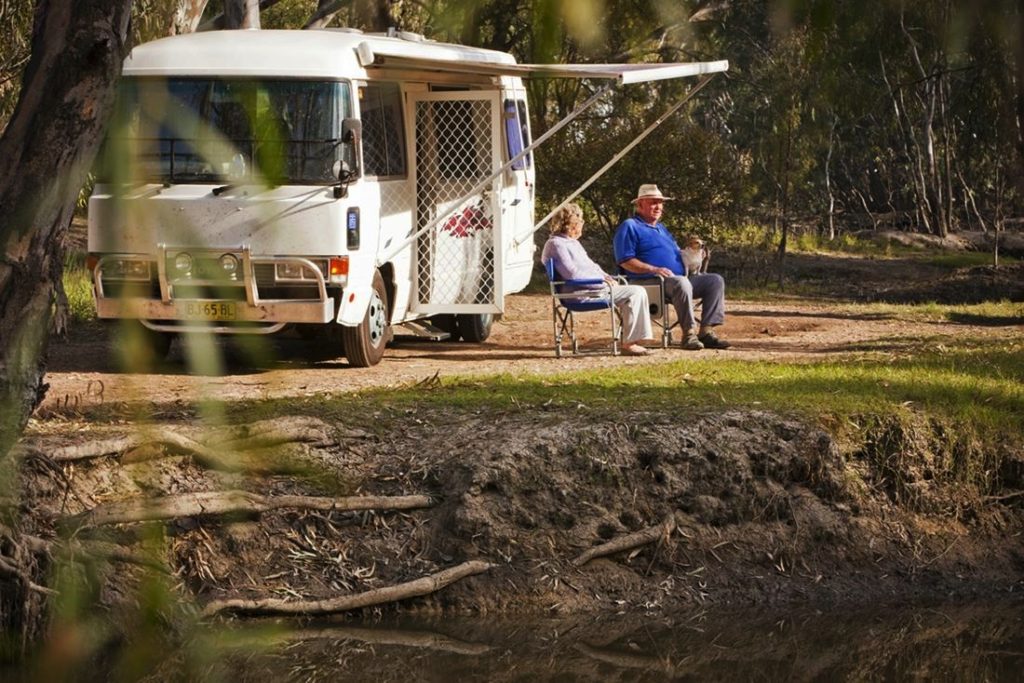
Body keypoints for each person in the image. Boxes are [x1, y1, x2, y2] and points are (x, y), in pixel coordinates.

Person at [613, 184, 730, 350]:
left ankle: (706, 331)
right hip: (650, 281)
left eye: (660, 202)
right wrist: (653, 269)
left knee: (715, 281)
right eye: (653, 202)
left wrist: (693, 256)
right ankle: (689, 334)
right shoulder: (629, 226)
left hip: (678, 280)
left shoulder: (661, 228)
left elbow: (676, 254)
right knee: (681, 282)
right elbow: (625, 261)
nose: (658, 207)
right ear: (639, 205)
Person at [541, 203, 655, 356]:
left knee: (636, 291)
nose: (582, 225)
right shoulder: (556, 244)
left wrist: (606, 276)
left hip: (594, 288)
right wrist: (601, 281)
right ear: (572, 224)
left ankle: (633, 339)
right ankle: (630, 343)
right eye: (581, 222)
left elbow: (592, 266)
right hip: (580, 293)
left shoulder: (572, 243)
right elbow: (572, 274)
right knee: (635, 292)